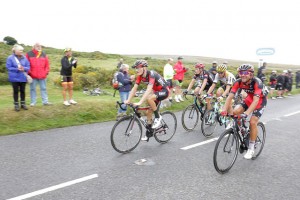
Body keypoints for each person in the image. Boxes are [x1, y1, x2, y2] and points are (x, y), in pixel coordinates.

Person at [221, 64, 267, 159]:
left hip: (260, 102)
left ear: (251, 74)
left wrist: (246, 114)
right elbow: (230, 97)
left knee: (252, 122)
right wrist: (224, 110)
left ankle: (251, 148)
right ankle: (242, 130)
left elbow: (255, 101)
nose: (242, 75)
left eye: (245, 72)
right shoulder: (238, 82)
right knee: (235, 112)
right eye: (241, 72)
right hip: (249, 99)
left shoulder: (257, 82)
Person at [124, 60, 169, 141]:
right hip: (156, 92)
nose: (137, 70)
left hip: (164, 91)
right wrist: (128, 100)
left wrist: (140, 102)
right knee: (148, 112)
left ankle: (158, 117)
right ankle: (149, 133)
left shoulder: (152, 74)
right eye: (136, 68)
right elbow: (134, 88)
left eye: (138, 68)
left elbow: (148, 90)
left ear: (144, 67)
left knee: (149, 98)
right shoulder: (140, 76)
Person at [6, 44, 30, 111]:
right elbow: (8, 67)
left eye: (22, 50)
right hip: (14, 78)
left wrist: (24, 68)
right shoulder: (10, 58)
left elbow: (28, 66)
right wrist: (17, 69)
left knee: (23, 91)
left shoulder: (25, 58)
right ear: (15, 51)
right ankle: (16, 105)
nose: (22, 52)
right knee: (15, 91)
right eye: (20, 50)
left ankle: (23, 104)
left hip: (23, 77)